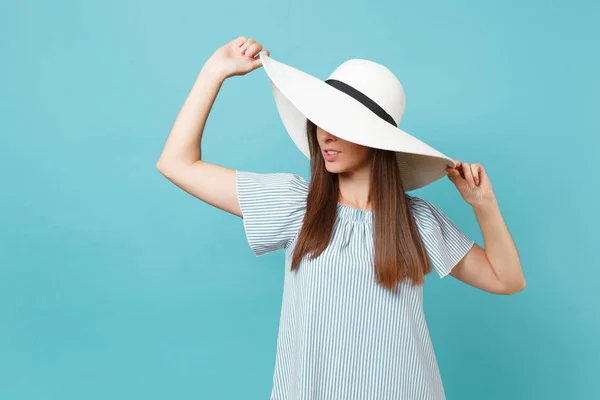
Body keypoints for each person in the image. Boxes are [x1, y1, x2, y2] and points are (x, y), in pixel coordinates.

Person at [156, 36, 526, 400]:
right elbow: (176, 164)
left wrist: (484, 205)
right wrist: (214, 72)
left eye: (343, 125)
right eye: (320, 121)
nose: (325, 135)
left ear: (377, 139)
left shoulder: (418, 221)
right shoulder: (295, 204)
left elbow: (505, 279)